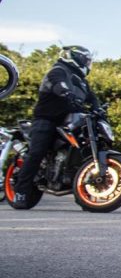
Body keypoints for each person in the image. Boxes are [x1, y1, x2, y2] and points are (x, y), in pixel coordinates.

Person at [11, 45, 98, 209]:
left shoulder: (82, 81)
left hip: (70, 121)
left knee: (82, 149)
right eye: (85, 60)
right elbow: (59, 85)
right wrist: (66, 93)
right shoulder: (58, 70)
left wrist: (98, 109)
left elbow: (93, 99)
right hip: (48, 119)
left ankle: (81, 193)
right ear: (76, 58)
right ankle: (21, 192)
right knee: (37, 152)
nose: (87, 64)